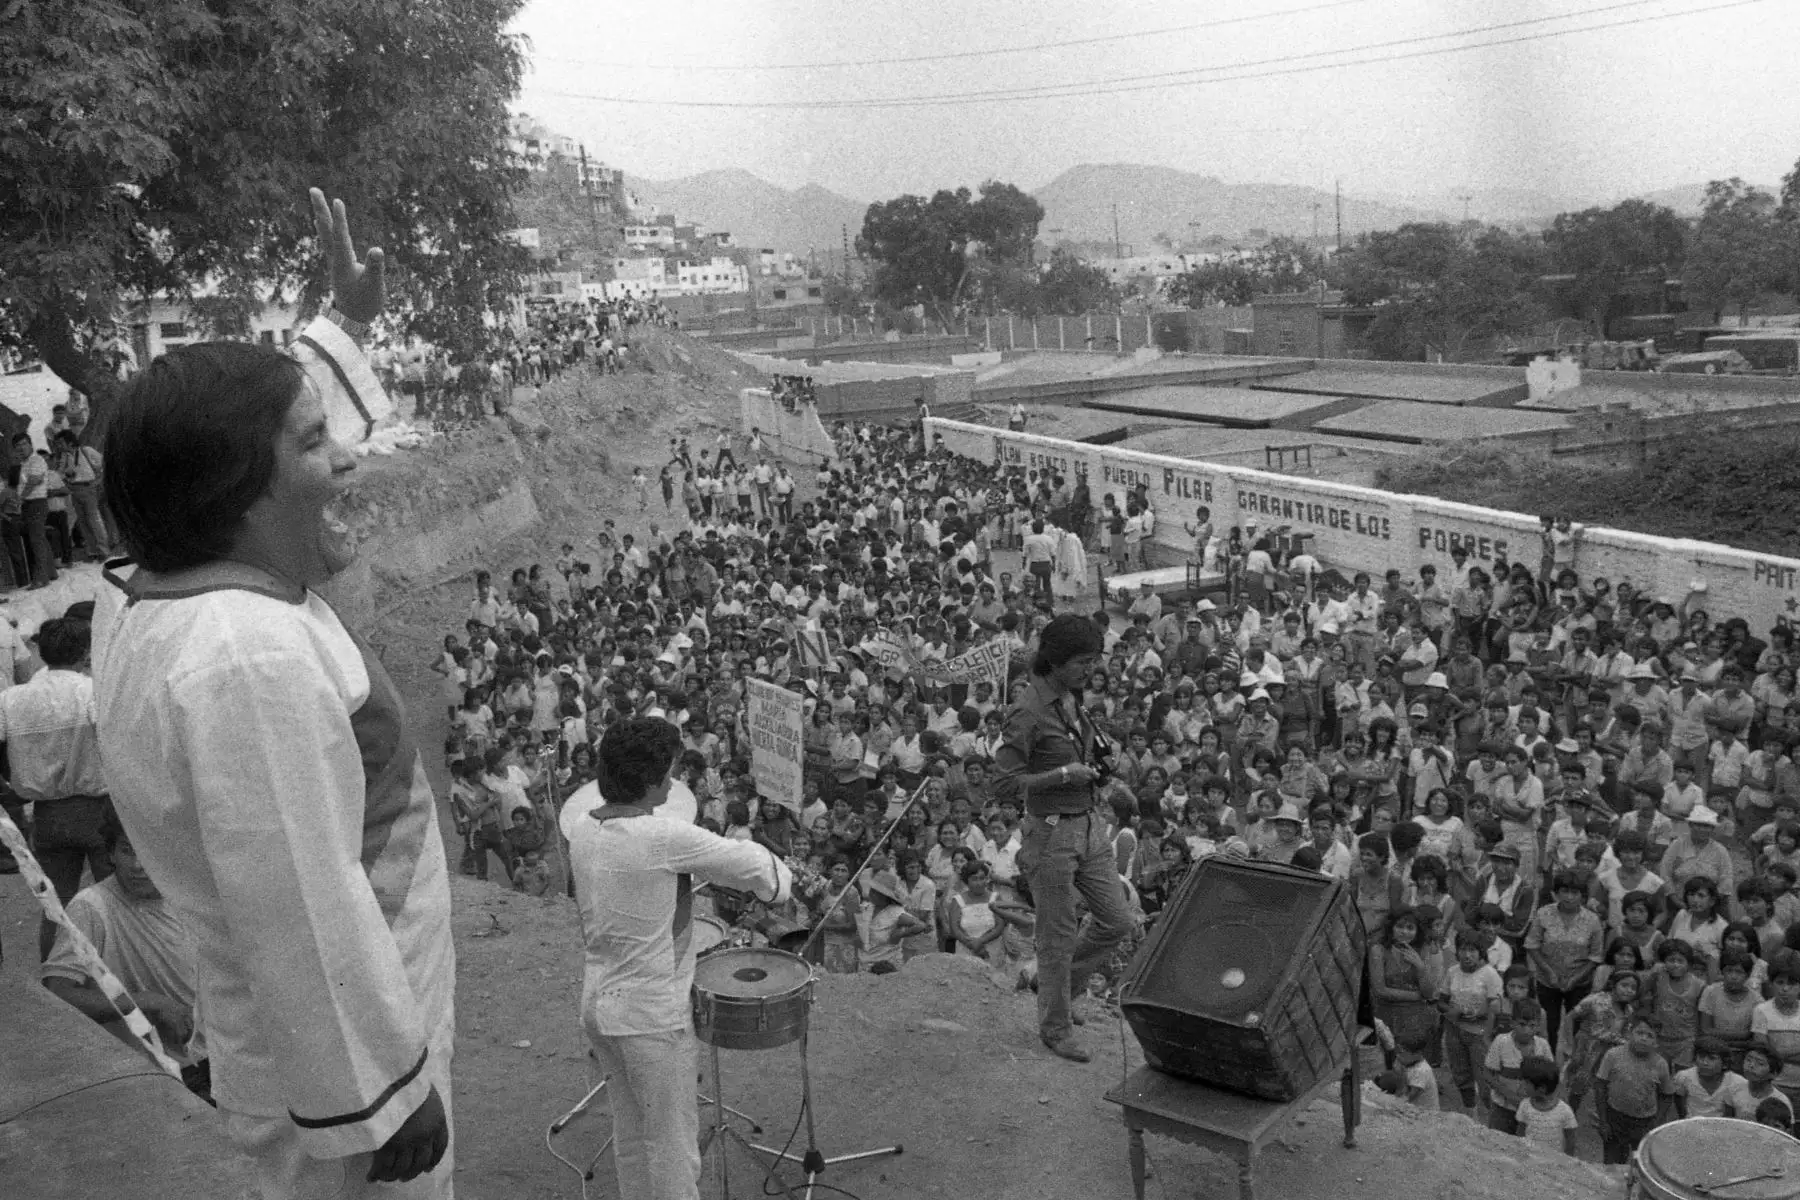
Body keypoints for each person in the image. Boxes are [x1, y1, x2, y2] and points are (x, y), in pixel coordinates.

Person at [92, 189, 454, 1196]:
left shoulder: (152, 585)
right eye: (311, 444)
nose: (347, 455)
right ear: (232, 495)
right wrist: (382, 1091)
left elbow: (235, 426)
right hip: (336, 1061)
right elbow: (298, 893)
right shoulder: (248, 662)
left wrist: (343, 324)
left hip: (305, 1018)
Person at [569, 717, 791, 1200]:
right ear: (651, 781)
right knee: (672, 1149)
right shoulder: (662, 838)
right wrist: (780, 873)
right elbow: (757, 869)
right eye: (667, 773)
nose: (672, 783)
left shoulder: (584, 830)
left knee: (632, 1139)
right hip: (650, 1017)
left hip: (600, 1005)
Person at [994, 613, 1133, 1063]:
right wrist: (1060, 773)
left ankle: (1057, 985)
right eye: (1081, 662)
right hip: (1051, 833)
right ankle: (1054, 1028)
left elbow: (1083, 744)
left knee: (1117, 921)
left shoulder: (1071, 699)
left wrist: (1101, 756)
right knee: (1056, 937)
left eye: (1093, 660)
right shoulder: (1027, 712)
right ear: (1054, 662)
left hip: (1089, 824)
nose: (1089, 670)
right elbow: (1002, 785)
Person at [40, 811, 206, 1092]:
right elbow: (58, 993)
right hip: (161, 1073)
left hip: (217, 1056)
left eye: (147, 851)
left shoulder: (190, 898)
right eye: (127, 851)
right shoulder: (91, 908)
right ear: (112, 854)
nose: (138, 865)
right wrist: (148, 1002)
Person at [2, 616, 113, 961]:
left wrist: (14, 790)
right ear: (84, 653)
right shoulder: (93, 692)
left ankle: (57, 974)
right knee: (115, 901)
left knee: (57, 905)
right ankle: (121, 979)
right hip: (99, 811)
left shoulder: (10, 700)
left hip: (48, 816)